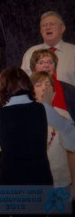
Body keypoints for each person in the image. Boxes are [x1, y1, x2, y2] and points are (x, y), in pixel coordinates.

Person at [29, 49, 75, 198]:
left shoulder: (63, 114)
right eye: (38, 85)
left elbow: (71, 152)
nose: (43, 88)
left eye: (48, 85)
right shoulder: (23, 115)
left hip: (60, 181)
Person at [21, 11, 75, 86]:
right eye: (44, 25)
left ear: (62, 28)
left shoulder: (73, 52)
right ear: (40, 31)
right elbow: (24, 83)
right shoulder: (31, 52)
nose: (48, 27)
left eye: (52, 24)